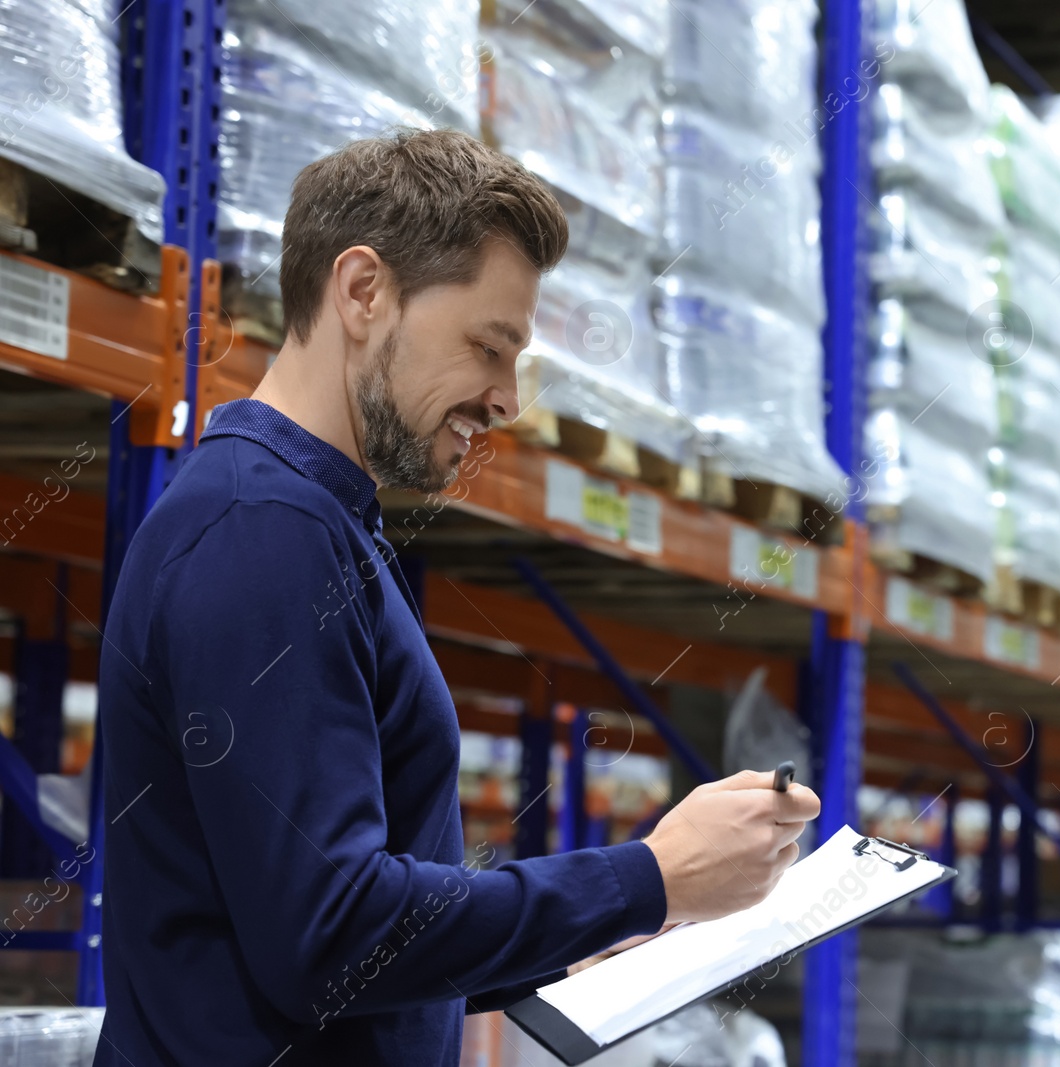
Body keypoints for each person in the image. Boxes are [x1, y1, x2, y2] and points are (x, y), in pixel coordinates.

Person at [93, 128, 819, 1065]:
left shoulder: (322, 526)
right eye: (489, 345)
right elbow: (333, 941)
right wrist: (647, 878)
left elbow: (369, 924)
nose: (507, 398)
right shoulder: (261, 532)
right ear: (363, 292)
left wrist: (634, 908)